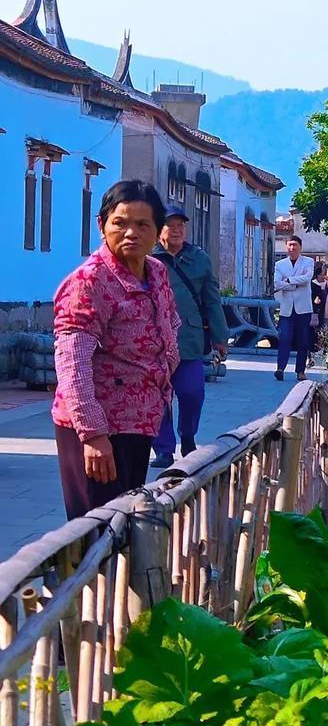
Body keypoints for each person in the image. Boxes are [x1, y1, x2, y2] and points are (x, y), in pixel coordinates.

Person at [51, 180, 181, 520]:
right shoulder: (89, 282)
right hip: (97, 428)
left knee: (125, 526)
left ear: (157, 231)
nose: (131, 233)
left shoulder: (156, 272)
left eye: (142, 224)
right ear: (102, 225)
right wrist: (93, 435)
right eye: (120, 222)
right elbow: (72, 364)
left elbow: (170, 323)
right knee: (96, 531)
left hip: (139, 423)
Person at [151, 203, 229, 466]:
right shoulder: (148, 259)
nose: (176, 230)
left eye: (180, 225)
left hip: (190, 339)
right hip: (154, 342)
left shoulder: (199, 259)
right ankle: (163, 448)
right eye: (170, 225)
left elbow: (212, 301)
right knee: (158, 396)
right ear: (158, 229)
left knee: (192, 392)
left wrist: (220, 336)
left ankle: (187, 436)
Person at [273, 234, 315, 380]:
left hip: (303, 308)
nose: (292, 248)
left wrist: (289, 281)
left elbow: (307, 278)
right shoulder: (280, 264)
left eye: (295, 245)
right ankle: (280, 368)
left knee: (303, 340)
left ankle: (300, 371)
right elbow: (277, 284)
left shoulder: (308, 262)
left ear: (300, 247)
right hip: (287, 308)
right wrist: (295, 285)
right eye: (290, 245)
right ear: (286, 247)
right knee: (284, 338)